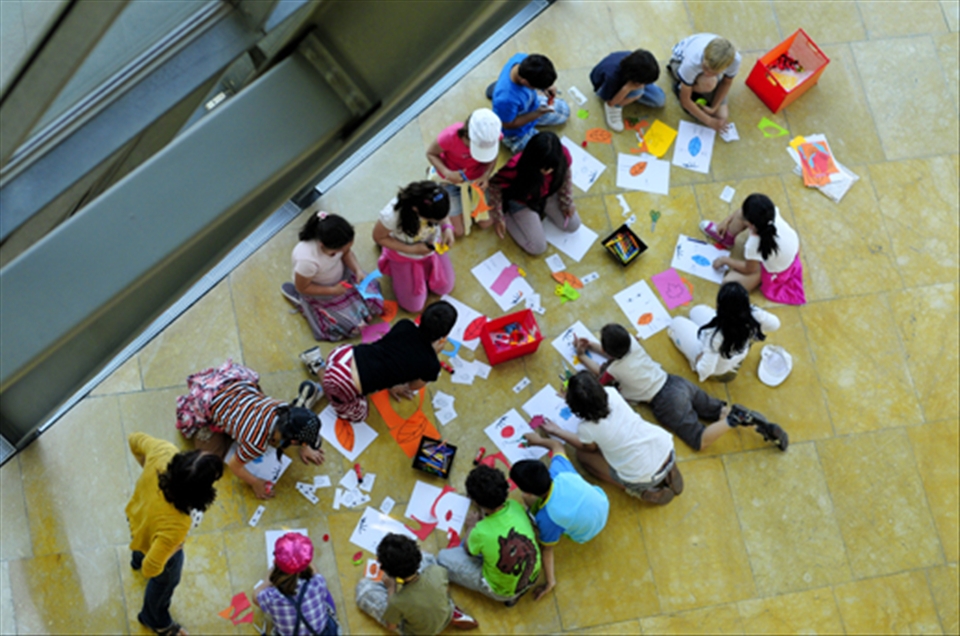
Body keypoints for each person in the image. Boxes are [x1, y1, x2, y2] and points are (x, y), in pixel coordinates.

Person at [575, 323, 788, 451]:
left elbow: (599, 376)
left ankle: (733, 421)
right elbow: (614, 352)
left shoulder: (614, 370)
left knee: (699, 439)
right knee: (717, 410)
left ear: (609, 352)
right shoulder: (632, 342)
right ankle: (748, 420)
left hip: (664, 402)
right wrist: (593, 344)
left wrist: (583, 355)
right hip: (676, 383)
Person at [176, 361, 325, 499]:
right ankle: (218, 427)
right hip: (208, 401)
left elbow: (300, 421)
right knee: (212, 458)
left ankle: (232, 424)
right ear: (292, 440)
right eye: (302, 443)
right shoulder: (256, 444)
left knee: (239, 427)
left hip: (233, 387)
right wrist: (255, 482)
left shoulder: (283, 408)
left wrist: (305, 447)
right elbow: (235, 465)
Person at [126, 433, 223, 636]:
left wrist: (146, 466)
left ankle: (136, 557)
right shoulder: (178, 525)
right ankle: (155, 620)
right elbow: (150, 569)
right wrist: (174, 549)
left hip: (138, 518)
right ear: (200, 493)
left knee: (141, 545)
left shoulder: (164, 452)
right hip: (161, 544)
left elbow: (134, 439)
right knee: (165, 581)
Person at [539, 371, 682, 505]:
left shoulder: (587, 428)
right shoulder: (612, 393)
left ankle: (638, 491)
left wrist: (557, 431)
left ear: (575, 408)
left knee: (584, 457)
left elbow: (589, 448)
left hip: (642, 476)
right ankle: (670, 471)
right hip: (665, 448)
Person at [319, 300, 456, 423]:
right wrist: (432, 355)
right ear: (444, 337)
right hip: (344, 383)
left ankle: (324, 369)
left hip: (343, 354)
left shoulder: (405, 324)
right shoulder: (431, 365)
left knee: (344, 372)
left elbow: (390, 348)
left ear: (421, 316)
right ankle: (320, 373)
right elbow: (414, 386)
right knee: (360, 414)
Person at [510, 438, 610, 601]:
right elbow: (557, 445)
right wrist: (537, 440)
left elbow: (547, 550)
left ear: (529, 492)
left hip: (585, 534)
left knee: (533, 512)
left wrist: (550, 582)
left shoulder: (548, 517)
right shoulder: (560, 470)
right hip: (603, 504)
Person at [438, 465, 542, 605]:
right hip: (532, 576)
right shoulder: (514, 505)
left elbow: (469, 550)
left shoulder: (480, 531)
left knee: (443, 557)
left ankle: (508, 597)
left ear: (475, 501)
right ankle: (515, 594)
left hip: (501, 590)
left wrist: (471, 526)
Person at [282, 211, 384, 341]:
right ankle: (303, 304)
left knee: (374, 299)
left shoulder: (336, 240)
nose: (343, 251)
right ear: (323, 246)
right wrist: (333, 290)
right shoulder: (307, 260)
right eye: (339, 250)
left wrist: (357, 270)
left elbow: (347, 254)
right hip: (321, 289)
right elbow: (303, 287)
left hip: (342, 277)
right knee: (351, 326)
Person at [355, 533, 479, 634]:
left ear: (387, 571)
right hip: (443, 614)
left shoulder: (397, 602)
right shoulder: (437, 571)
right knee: (428, 558)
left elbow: (391, 626)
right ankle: (452, 611)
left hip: (419, 632)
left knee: (363, 588)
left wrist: (391, 589)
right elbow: (446, 589)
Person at [701, 193, 806, 305]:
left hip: (777, 268)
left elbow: (749, 269)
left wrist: (725, 260)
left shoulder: (754, 245)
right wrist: (726, 221)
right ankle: (727, 238)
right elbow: (743, 210)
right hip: (789, 249)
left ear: (751, 225)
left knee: (728, 284)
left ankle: (758, 276)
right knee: (742, 212)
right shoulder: (771, 212)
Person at [486, 131, 580, 255]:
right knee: (538, 247)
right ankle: (509, 216)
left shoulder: (562, 155)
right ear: (532, 160)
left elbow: (565, 176)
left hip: (547, 195)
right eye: (543, 168)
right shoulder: (515, 166)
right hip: (522, 202)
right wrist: (499, 216)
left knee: (573, 225)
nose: (548, 171)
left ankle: (540, 210)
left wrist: (566, 202)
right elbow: (494, 186)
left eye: (552, 167)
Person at [669, 282, 781, 383]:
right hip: (735, 351)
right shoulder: (753, 315)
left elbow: (705, 370)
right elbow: (775, 324)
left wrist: (699, 358)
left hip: (719, 366)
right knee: (695, 311)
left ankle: (716, 371)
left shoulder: (715, 336)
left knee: (676, 323)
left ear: (719, 307)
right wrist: (756, 313)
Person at [373, 181, 455, 313]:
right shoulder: (391, 215)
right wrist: (413, 250)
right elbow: (378, 237)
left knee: (445, 288)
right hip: (404, 255)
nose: (435, 223)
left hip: (430, 248)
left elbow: (443, 215)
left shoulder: (436, 197)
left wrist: (447, 228)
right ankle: (387, 255)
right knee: (413, 306)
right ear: (416, 210)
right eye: (433, 220)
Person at [425, 108, 502, 236]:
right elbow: (430, 153)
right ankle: (434, 174)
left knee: (486, 223)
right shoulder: (449, 137)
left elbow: (493, 157)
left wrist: (486, 175)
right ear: (466, 134)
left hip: (476, 180)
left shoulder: (493, 136)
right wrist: (447, 172)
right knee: (458, 231)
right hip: (451, 180)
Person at [255, 532, 339, 636]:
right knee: (325, 594)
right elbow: (315, 572)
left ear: (275, 561)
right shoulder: (318, 583)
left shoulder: (272, 597)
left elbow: (255, 596)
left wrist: (268, 580)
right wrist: (302, 559)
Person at [489, 53, 570, 153]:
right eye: (536, 87)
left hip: (530, 105)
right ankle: (514, 142)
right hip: (515, 132)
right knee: (541, 154)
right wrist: (537, 114)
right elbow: (508, 124)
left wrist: (546, 86)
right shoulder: (506, 99)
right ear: (525, 83)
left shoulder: (522, 60)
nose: (538, 89)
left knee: (564, 112)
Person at [667, 34, 740, 132]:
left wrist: (714, 108)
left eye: (715, 72)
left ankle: (695, 87)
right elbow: (685, 101)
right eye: (705, 68)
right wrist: (710, 121)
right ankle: (680, 87)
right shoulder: (692, 62)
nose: (707, 73)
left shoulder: (735, 60)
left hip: (703, 67)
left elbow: (726, 82)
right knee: (709, 83)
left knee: (722, 116)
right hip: (679, 62)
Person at [589, 48, 665, 132]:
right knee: (637, 92)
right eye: (642, 83)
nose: (643, 85)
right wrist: (628, 89)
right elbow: (610, 103)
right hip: (605, 86)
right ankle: (617, 107)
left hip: (630, 76)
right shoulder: (612, 77)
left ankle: (638, 86)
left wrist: (640, 84)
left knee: (659, 100)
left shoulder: (635, 61)